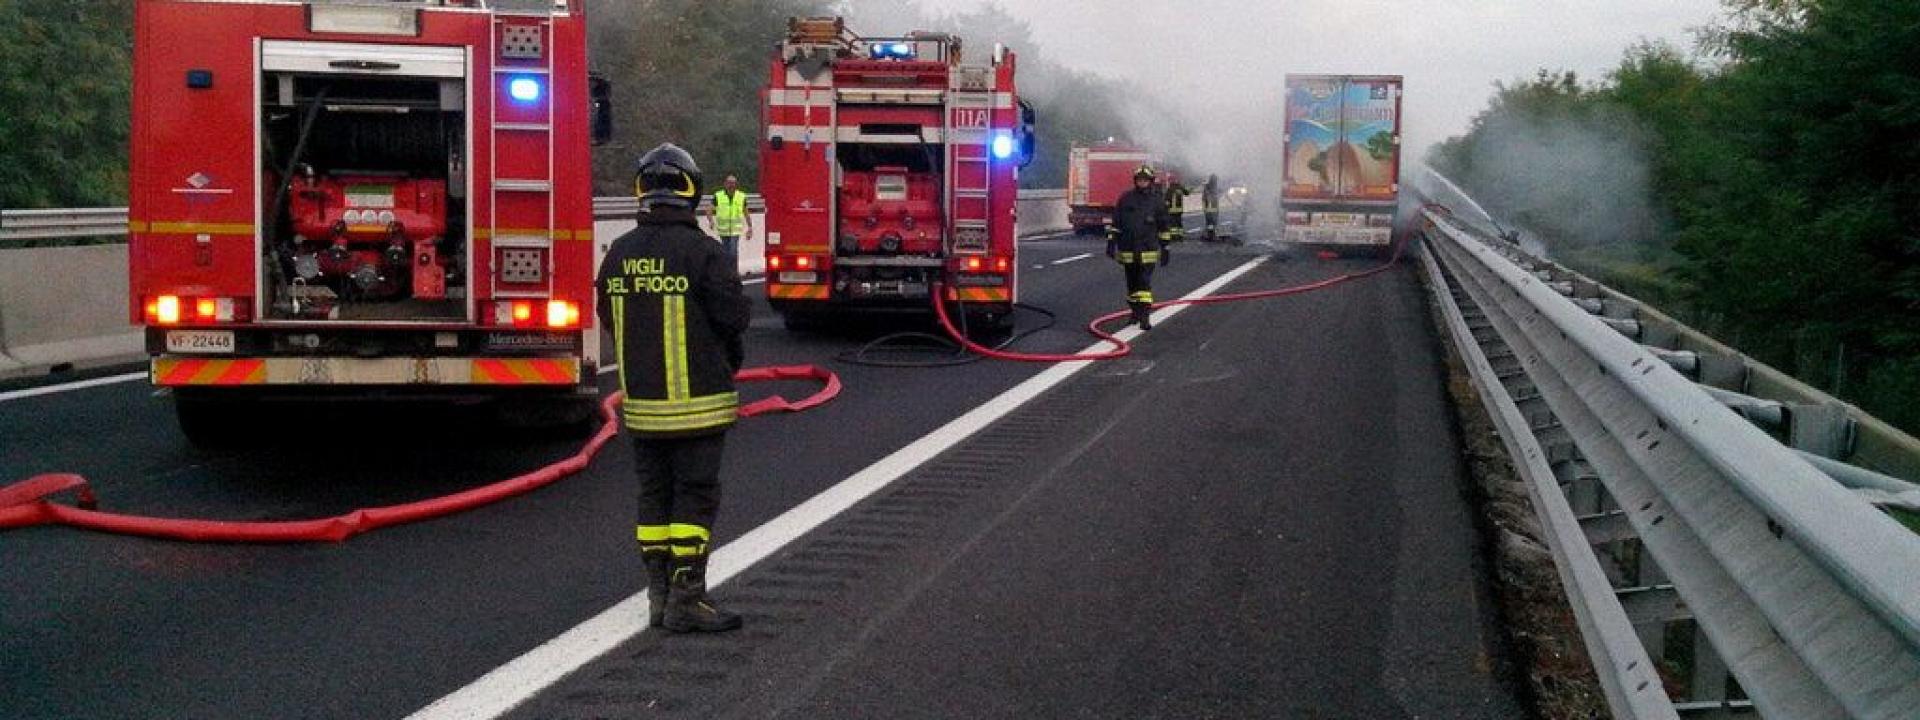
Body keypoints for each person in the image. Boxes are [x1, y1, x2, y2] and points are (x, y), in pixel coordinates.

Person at [597, 143, 752, 634]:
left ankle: (659, 596)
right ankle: (688, 597)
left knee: (653, 498)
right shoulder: (703, 252)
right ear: (692, 191)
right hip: (698, 406)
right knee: (694, 497)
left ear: (641, 190)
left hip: (643, 409)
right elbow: (734, 317)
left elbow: (608, 319)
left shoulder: (617, 254)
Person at [1106, 165, 1171, 330]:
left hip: (1147, 250)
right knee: (1132, 284)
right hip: (1127, 249)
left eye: (1145, 180)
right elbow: (1116, 223)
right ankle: (1134, 312)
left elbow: (1164, 227)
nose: (1142, 182)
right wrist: (1111, 242)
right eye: (1140, 180)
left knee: (1144, 283)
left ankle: (1145, 316)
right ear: (1135, 181)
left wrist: (1165, 249)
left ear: (1150, 181)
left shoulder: (1157, 201)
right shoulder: (1125, 198)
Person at [707, 175, 751, 260]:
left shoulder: (741, 196)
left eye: (733, 183)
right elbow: (709, 209)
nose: (731, 185)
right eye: (729, 183)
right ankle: (727, 270)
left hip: (735, 230)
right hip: (723, 230)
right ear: (725, 184)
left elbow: (746, 212)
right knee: (726, 251)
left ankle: (733, 270)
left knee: (733, 251)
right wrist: (711, 221)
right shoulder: (718, 196)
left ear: (736, 184)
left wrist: (750, 227)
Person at [1162, 176, 1190, 245]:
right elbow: (1187, 193)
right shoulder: (1180, 188)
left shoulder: (1169, 189)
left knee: (1173, 224)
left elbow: (1166, 200)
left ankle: (1174, 236)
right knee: (1179, 223)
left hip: (1171, 210)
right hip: (1179, 210)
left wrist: (1165, 208)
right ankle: (1180, 236)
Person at [1202, 174, 1221, 243]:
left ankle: (1210, 235)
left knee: (1209, 223)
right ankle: (1212, 235)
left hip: (1208, 209)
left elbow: (1203, 198)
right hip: (1214, 209)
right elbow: (1218, 196)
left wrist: (1204, 208)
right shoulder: (1214, 187)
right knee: (1213, 223)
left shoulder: (1206, 187)